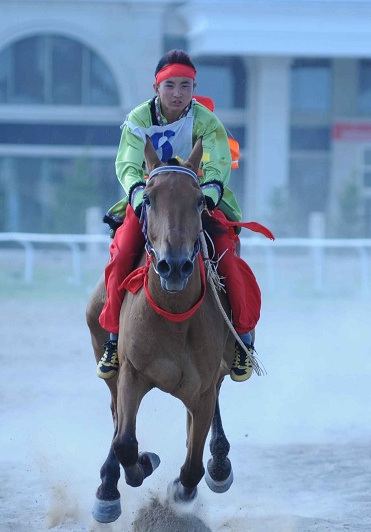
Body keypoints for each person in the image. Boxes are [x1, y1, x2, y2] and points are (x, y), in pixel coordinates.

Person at [97, 49, 262, 383]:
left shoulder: (207, 121)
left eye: (185, 85)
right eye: (170, 85)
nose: (177, 93)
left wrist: (210, 193)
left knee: (229, 260)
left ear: (193, 87)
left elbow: (217, 162)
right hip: (151, 201)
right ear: (156, 87)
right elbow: (128, 164)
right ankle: (114, 340)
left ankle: (243, 342)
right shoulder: (138, 118)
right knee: (122, 255)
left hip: (198, 200)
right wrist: (138, 196)